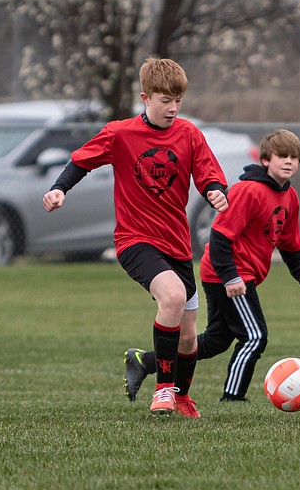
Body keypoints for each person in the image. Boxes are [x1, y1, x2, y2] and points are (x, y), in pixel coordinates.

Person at [43, 57, 228, 417]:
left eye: (178, 100)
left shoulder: (189, 134)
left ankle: (182, 396)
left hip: (177, 244)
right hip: (135, 240)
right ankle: (162, 390)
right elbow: (81, 161)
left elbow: (208, 174)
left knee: (189, 337)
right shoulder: (120, 133)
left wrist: (216, 191)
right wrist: (58, 189)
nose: (173, 108)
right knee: (172, 297)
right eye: (164, 100)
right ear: (145, 98)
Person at [124, 129, 300, 409]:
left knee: (216, 341)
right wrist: (231, 277)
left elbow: (289, 245)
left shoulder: (290, 197)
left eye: (294, 157)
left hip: (235, 276)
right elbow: (219, 237)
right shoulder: (248, 191)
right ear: (265, 160)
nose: (289, 162)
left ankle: (145, 361)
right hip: (228, 275)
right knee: (254, 336)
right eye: (282, 156)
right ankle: (233, 396)